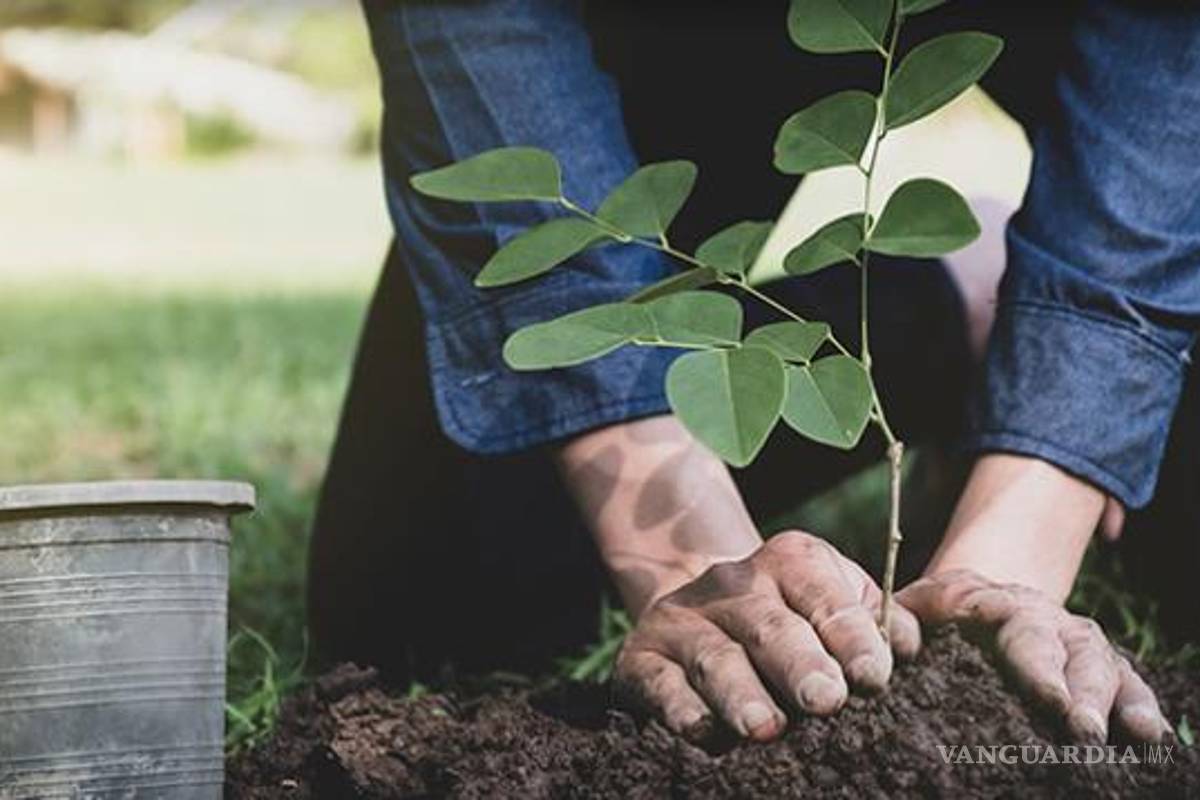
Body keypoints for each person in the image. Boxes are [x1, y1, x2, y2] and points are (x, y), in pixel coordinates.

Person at [308, 1, 1198, 746]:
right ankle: (957, 299)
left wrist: (1009, 564)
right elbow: (483, 27)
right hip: (676, 27)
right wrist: (697, 570)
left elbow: (1168, 58)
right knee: (419, 602)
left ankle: (1007, 346)